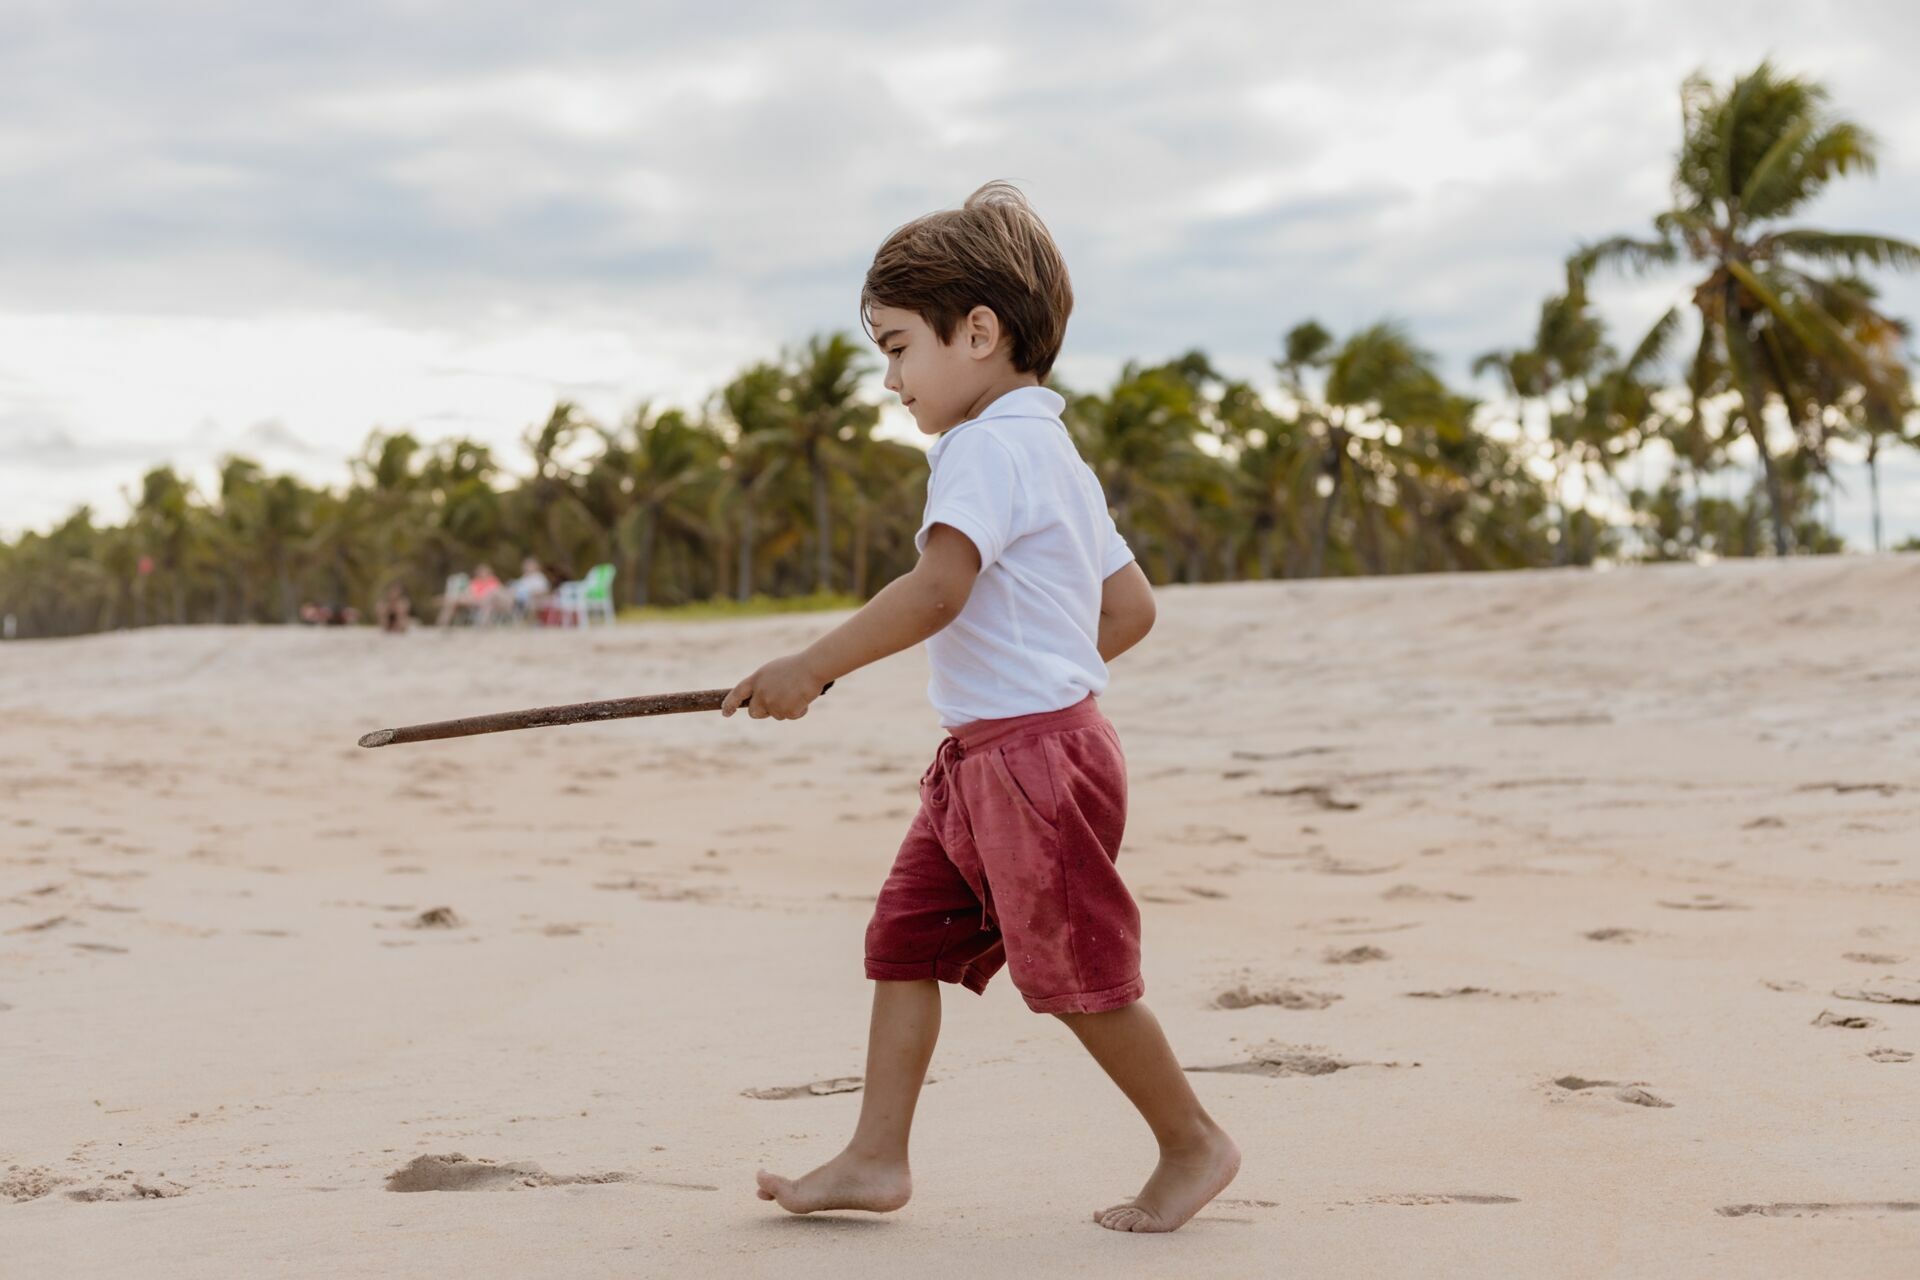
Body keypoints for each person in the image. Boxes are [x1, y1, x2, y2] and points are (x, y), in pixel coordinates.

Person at [722, 181, 1239, 1234]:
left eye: (900, 346)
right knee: (906, 938)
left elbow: (937, 589)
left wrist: (811, 666)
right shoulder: (1055, 452)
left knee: (1077, 972)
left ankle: (1193, 1140)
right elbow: (1129, 607)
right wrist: (1043, 671)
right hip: (1007, 754)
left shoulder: (982, 448)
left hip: (1028, 765)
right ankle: (875, 1154)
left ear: (979, 331)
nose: (891, 378)